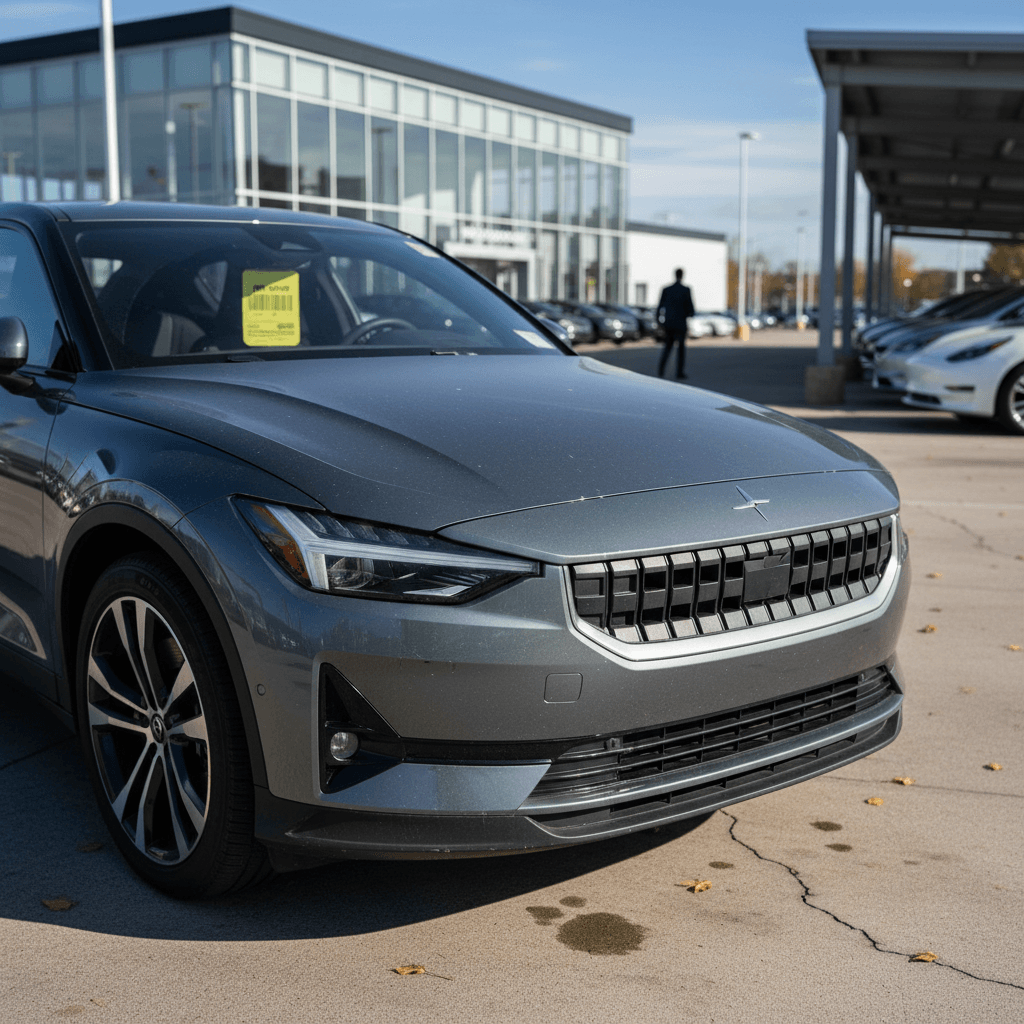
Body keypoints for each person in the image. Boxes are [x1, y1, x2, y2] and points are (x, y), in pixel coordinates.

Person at [656, 268, 695, 380]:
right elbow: (691, 309)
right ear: (682, 275)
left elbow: (660, 307)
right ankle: (679, 372)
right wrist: (688, 314)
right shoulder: (685, 290)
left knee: (667, 347)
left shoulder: (667, 289)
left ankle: (661, 370)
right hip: (680, 325)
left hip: (669, 324)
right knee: (681, 350)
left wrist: (660, 322)